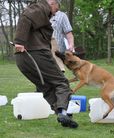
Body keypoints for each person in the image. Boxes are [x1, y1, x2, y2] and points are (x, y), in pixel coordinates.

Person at [13, 0, 78, 128]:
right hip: (36, 55)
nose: (55, 13)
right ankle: (63, 112)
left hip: (22, 59)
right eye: (56, 9)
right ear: (52, 3)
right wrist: (19, 41)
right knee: (62, 82)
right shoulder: (39, 8)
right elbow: (26, 16)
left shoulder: (39, 14)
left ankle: (62, 114)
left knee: (47, 87)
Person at [50, 0, 75, 72]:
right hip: (45, 51)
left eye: (52, 3)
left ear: (57, 4)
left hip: (58, 52)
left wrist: (71, 45)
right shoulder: (42, 15)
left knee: (58, 74)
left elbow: (68, 33)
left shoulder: (62, 16)